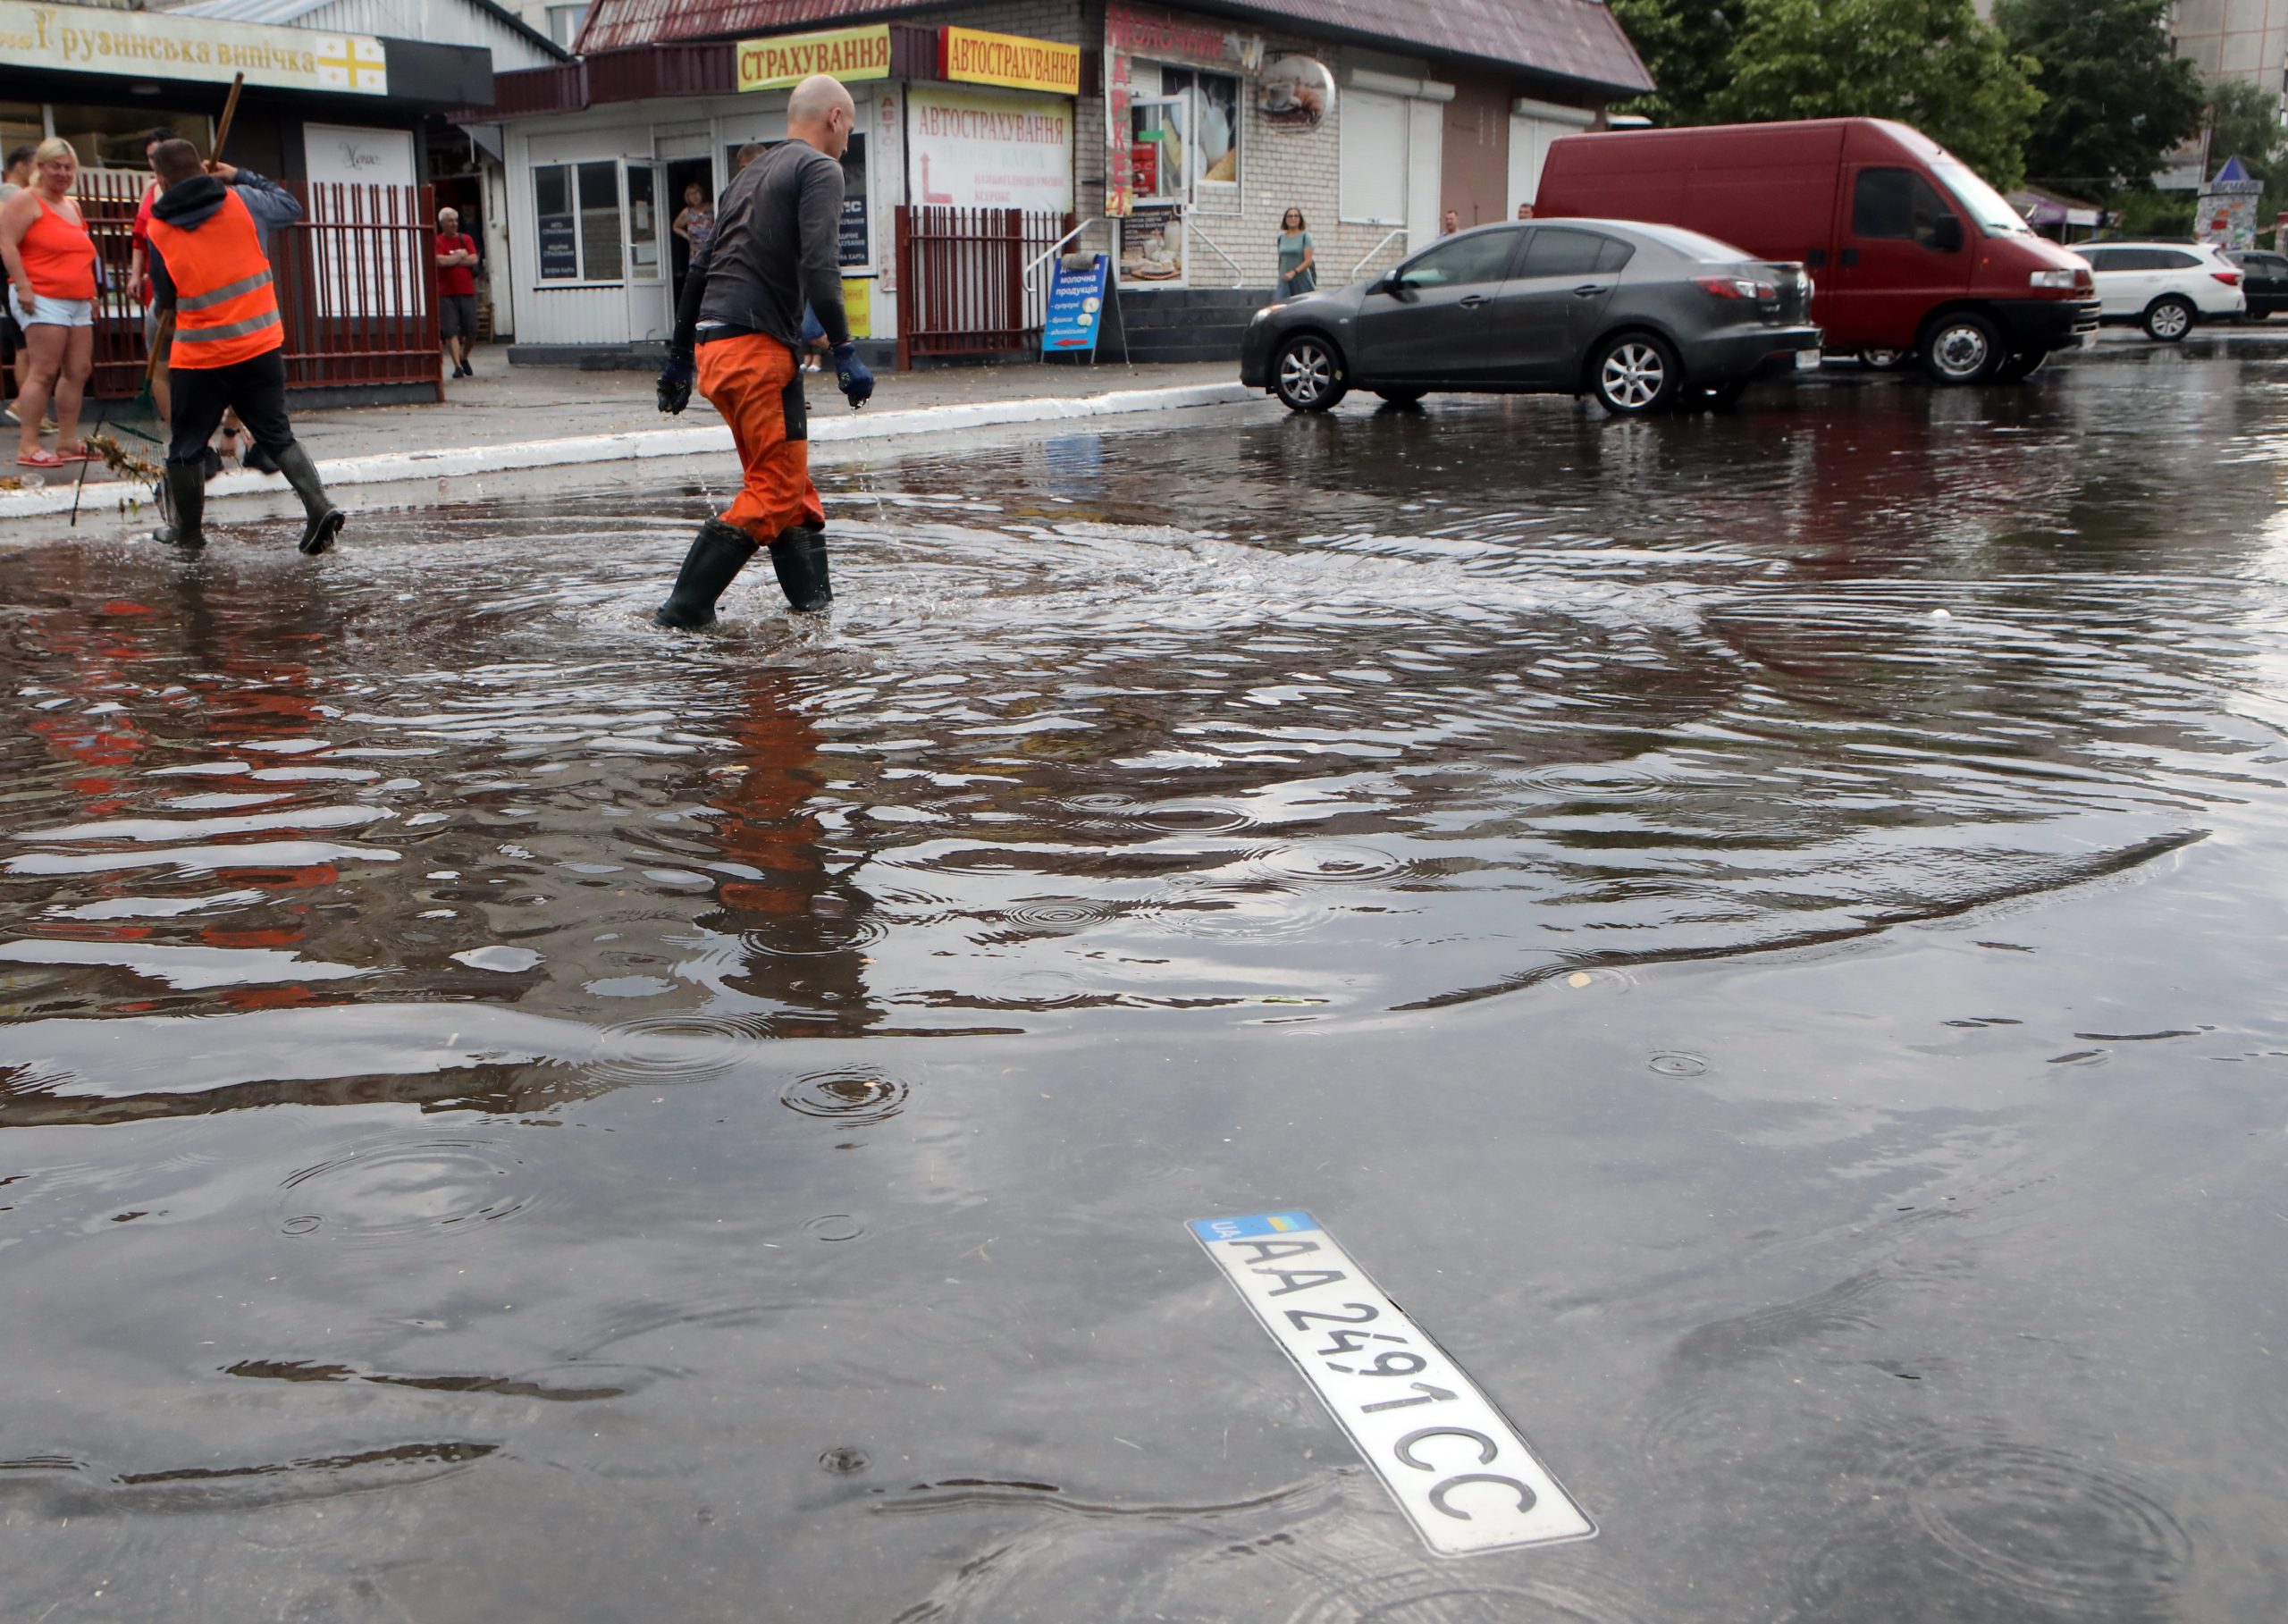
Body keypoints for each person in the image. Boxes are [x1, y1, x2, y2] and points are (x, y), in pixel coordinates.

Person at [652, 73, 872, 629]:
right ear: (834, 118)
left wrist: (679, 357)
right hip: (757, 353)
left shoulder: (748, 175)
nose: (848, 139)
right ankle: (682, 613)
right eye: (850, 125)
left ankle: (815, 613)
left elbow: (700, 267)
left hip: (718, 348)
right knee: (774, 489)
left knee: (788, 485)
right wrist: (844, 347)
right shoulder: (821, 168)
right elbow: (819, 263)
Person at [142, 139, 344, 556]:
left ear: (160, 180)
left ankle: (188, 533)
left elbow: (165, 298)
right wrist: (239, 174)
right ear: (203, 167)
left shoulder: (158, 230)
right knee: (276, 433)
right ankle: (319, 505)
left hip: (201, 357)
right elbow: (290, 206)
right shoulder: (243, 200)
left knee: (187, 445)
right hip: (260, 343)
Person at [1, 138, 97, 469]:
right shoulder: (25, 201)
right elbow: (7, 244)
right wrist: (23, 286)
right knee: (43, 370)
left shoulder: (72, 206)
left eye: (68, 167)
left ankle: (68, 441)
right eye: (55, 166)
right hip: (42, 295)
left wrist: (92, 293)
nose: (62, 172)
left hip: (78, 297)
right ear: (40, 167)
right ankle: (28, 445)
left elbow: (81, 251)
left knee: (78, 369)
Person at [0, 144, 39, 429]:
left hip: (9, 278)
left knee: (23, 346)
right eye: (37, 165)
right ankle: (25, 407)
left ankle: (31, 410)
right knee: (29, 346)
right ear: (22, 165)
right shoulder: (15, 196)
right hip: (15, 277)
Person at [435, 206, 481, 378]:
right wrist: (461, 256)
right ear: (442, 223)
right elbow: (439, 261)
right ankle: (457, 367)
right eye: (450, 221)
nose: (454, 224)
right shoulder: (437, 241)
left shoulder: (465, 238)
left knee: (472, 329)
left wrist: (452, 260)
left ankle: (464, 357)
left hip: (466, 291)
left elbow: (473, 259)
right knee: (450, 331)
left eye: (455, 220)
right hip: (446, 293)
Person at [1276, 206, 1316, 296]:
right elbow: (1281, 259)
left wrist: (1294, 272)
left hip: (1301, 280)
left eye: (1296, 216)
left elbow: (1308, 261)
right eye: (1290, 216)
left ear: (1300, 219)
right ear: (1285, 219)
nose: (1293, 219)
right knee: (1281, 306)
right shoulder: (1281, 238)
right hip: (1285, 280)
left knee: (1302, 308)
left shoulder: (1306, 237)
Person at [672, 183, 716, 254]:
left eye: (696, 193)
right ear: (688, 198)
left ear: (701, 193)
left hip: (713, 250)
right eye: (691, 194)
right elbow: (675, 227)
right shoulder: (687, 212)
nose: (694, 196)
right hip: (696, 254)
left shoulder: (712, 207)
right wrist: (687, 236)